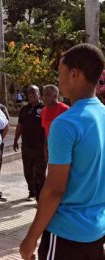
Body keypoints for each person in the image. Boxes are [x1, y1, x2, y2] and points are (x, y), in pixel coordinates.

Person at [20, 43, 105, 260]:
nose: (58, 80)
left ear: (74, 74)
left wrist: (30, 239)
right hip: (96, 231)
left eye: (60, 73)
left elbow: (54, 190)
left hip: (66, 234)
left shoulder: (66, 123)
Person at [13, 85, 46, 202]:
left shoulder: (45, 108)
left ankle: (40, 196)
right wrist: (16, 139)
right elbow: (20, 125)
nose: (31, 95)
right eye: (29, 93)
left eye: (34, 92)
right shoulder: (25, 109)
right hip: (26, 146)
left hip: (41, 147)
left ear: (39, 94)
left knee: (40, 172)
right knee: (28, 171)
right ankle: (31, 192)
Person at [41, 84, 69, 161]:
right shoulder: (43, 111)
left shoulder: (65, 110)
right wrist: (45, 150)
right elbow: (45, 132)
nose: (44, 97)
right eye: (43, 95)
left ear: (55, 95)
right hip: (51, 150)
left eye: (47, 94)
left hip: (64, 150)